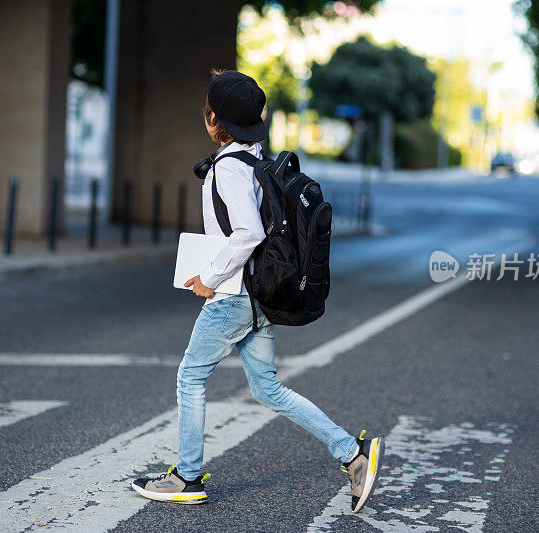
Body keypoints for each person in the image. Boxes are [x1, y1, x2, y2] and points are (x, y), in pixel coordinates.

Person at [131, 70, 382, 513]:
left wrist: (209, 277)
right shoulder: (256, 159)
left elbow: (246, 233)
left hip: (235, 295)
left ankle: (187, 476)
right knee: (266, 388)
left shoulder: (229, 167)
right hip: (261, 295)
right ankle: (352, 454)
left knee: (190, 377)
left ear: (212, 119)